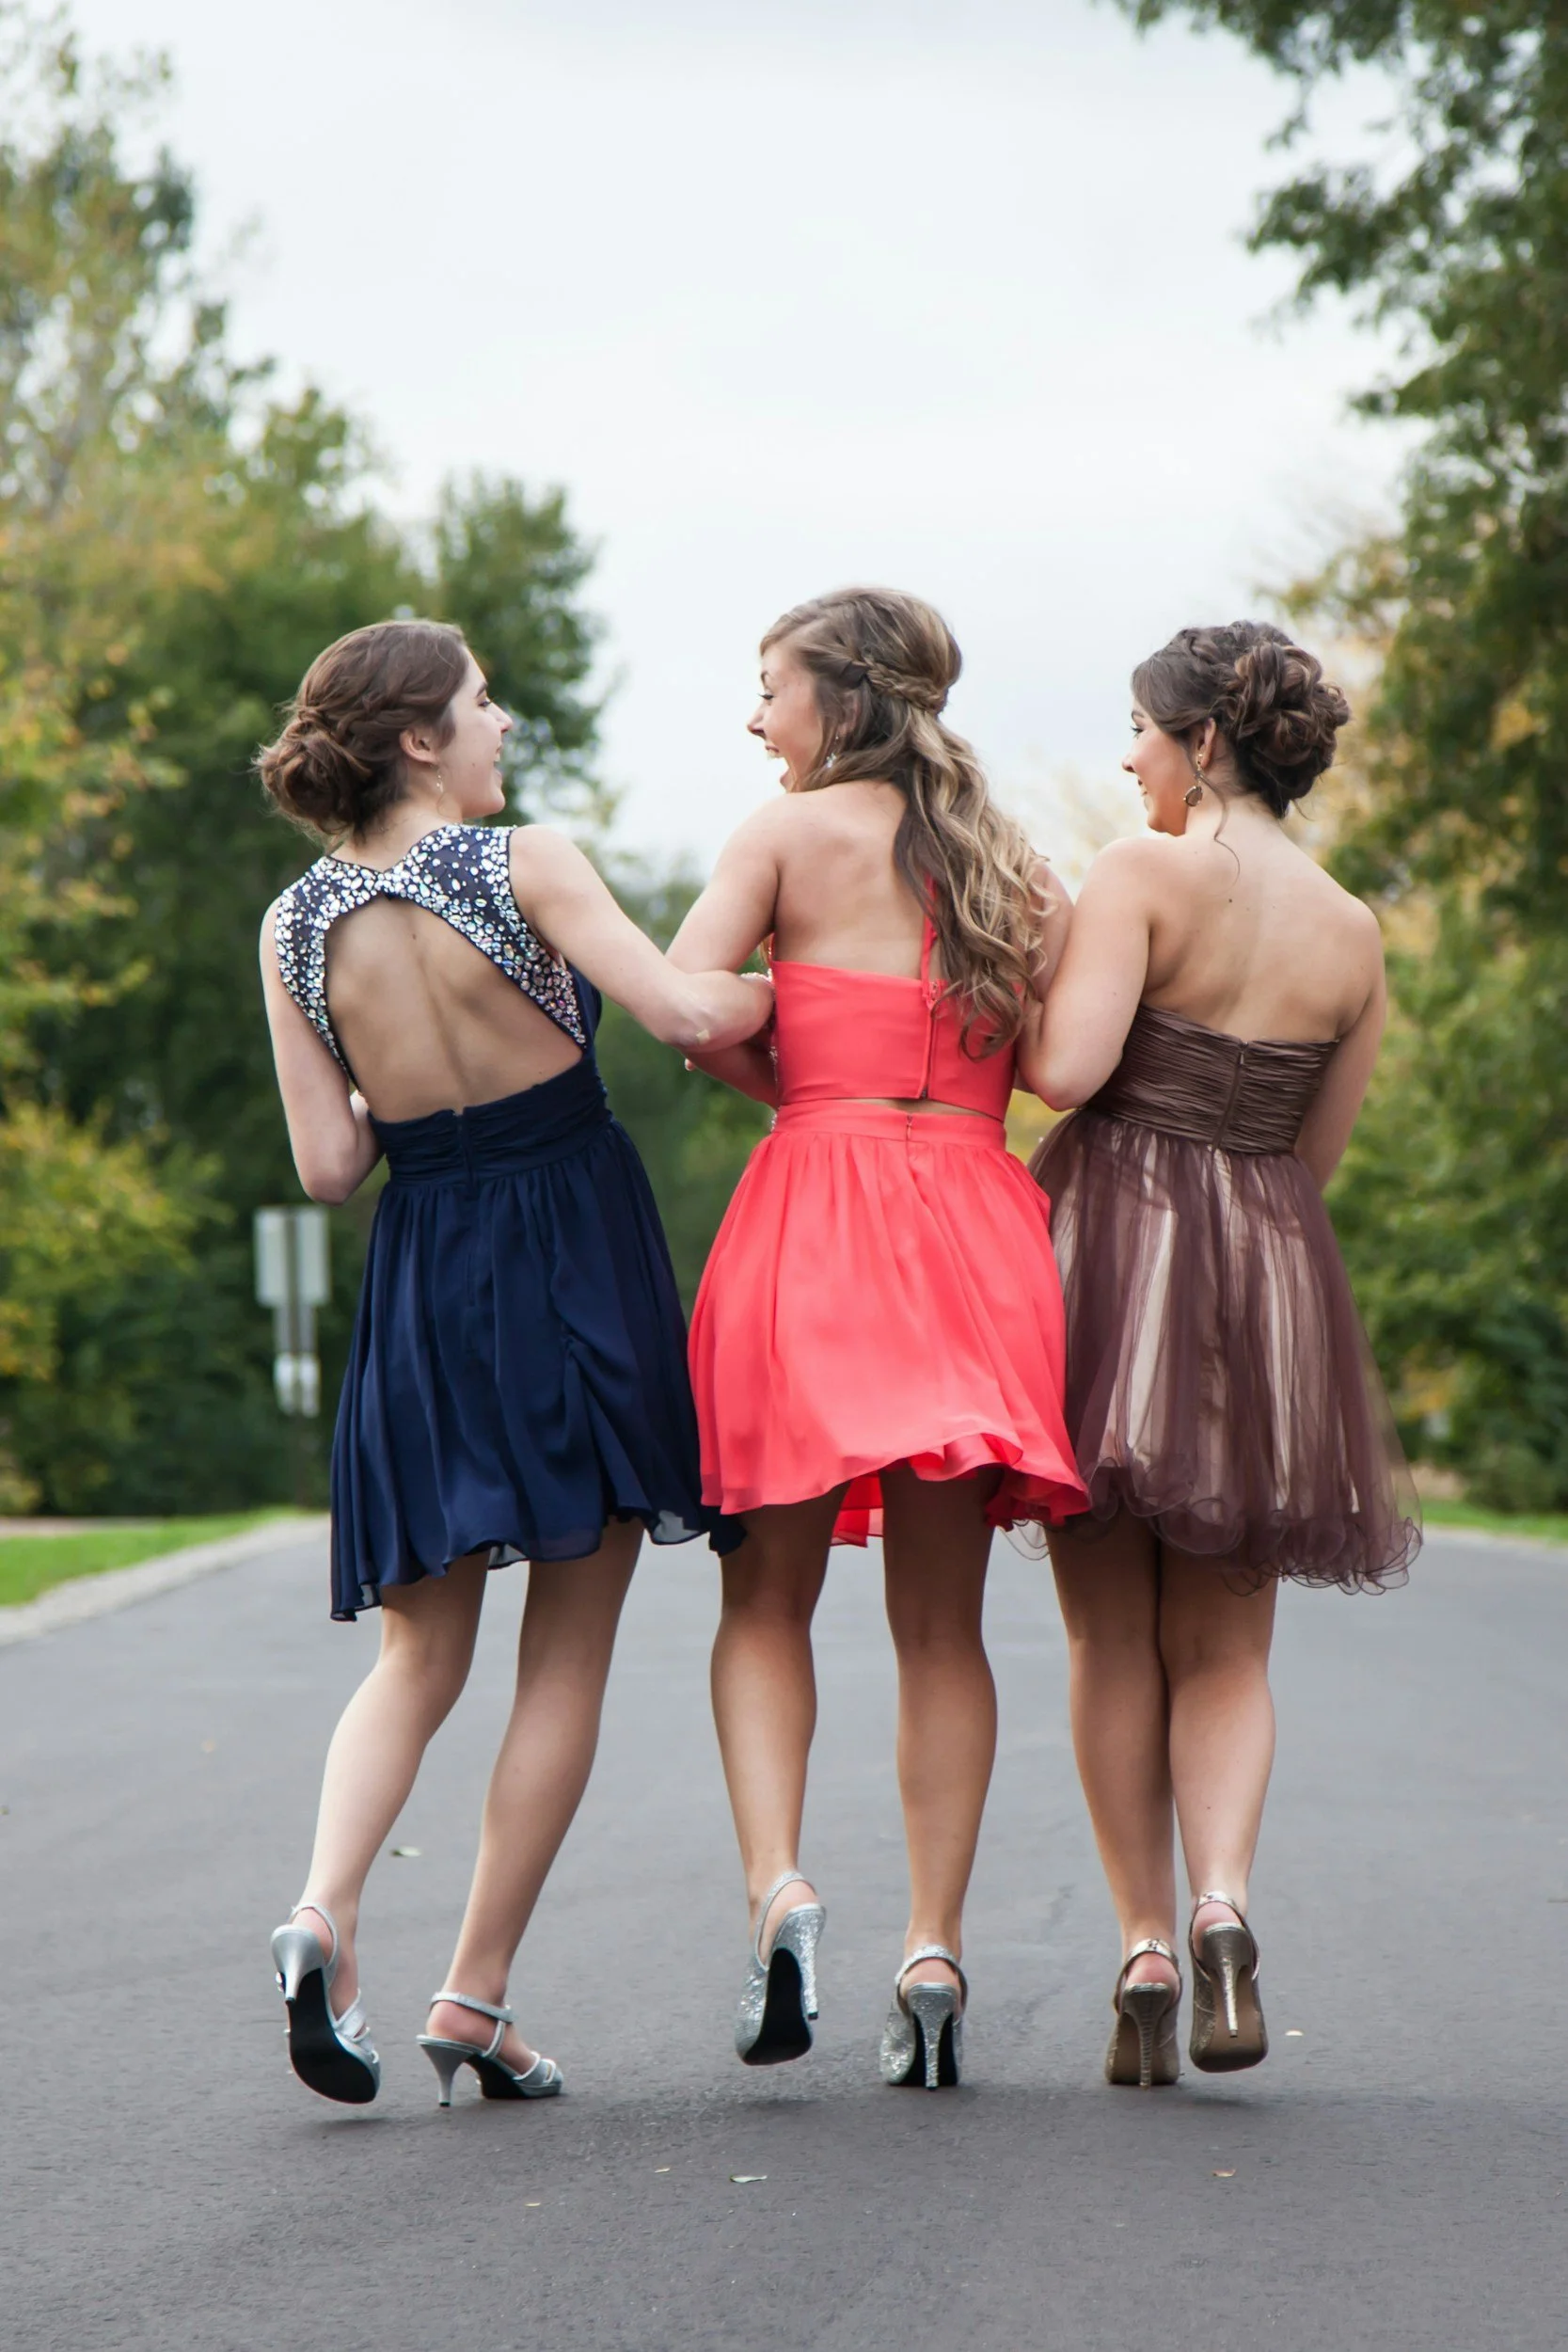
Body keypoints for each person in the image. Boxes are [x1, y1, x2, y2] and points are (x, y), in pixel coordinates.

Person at [257, 617, 770, 2108]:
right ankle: (472, 1994)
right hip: (570, 1264)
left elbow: (329, 1166)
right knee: (568, 1649)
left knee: (416, 1654)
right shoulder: (526, 864)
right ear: (419, 739)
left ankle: (319, 1913)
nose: (502, 725)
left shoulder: (293, 925)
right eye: (482, 704)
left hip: (426, 1276)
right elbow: (680, 1011)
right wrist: (843, 1006)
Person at [669, 587, 1086, 2091]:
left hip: (813, 1218)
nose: (754, 718)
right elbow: (1055, 1066)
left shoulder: (778, 840)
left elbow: (690, 1005)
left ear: (836, 698)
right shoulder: (1013, 862)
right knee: (941, 1627)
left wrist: (798, 1082)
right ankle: (931, 1946)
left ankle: (782, 1889)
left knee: (764, 1603)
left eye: (767, 687)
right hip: (974, 1221)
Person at [1029, 621, 1419, 2091]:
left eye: (1138, 728)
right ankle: (1221, 1906)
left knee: (1103, 1634)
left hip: (1111, 1259)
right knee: (1228, 1645)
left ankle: (1137, 1939)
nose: (1125, 756)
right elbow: (1312, 1153)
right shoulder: (1352, 930)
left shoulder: (1138, 873)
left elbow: (1065, 1072)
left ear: (1200, 741)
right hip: (1261, 1279)